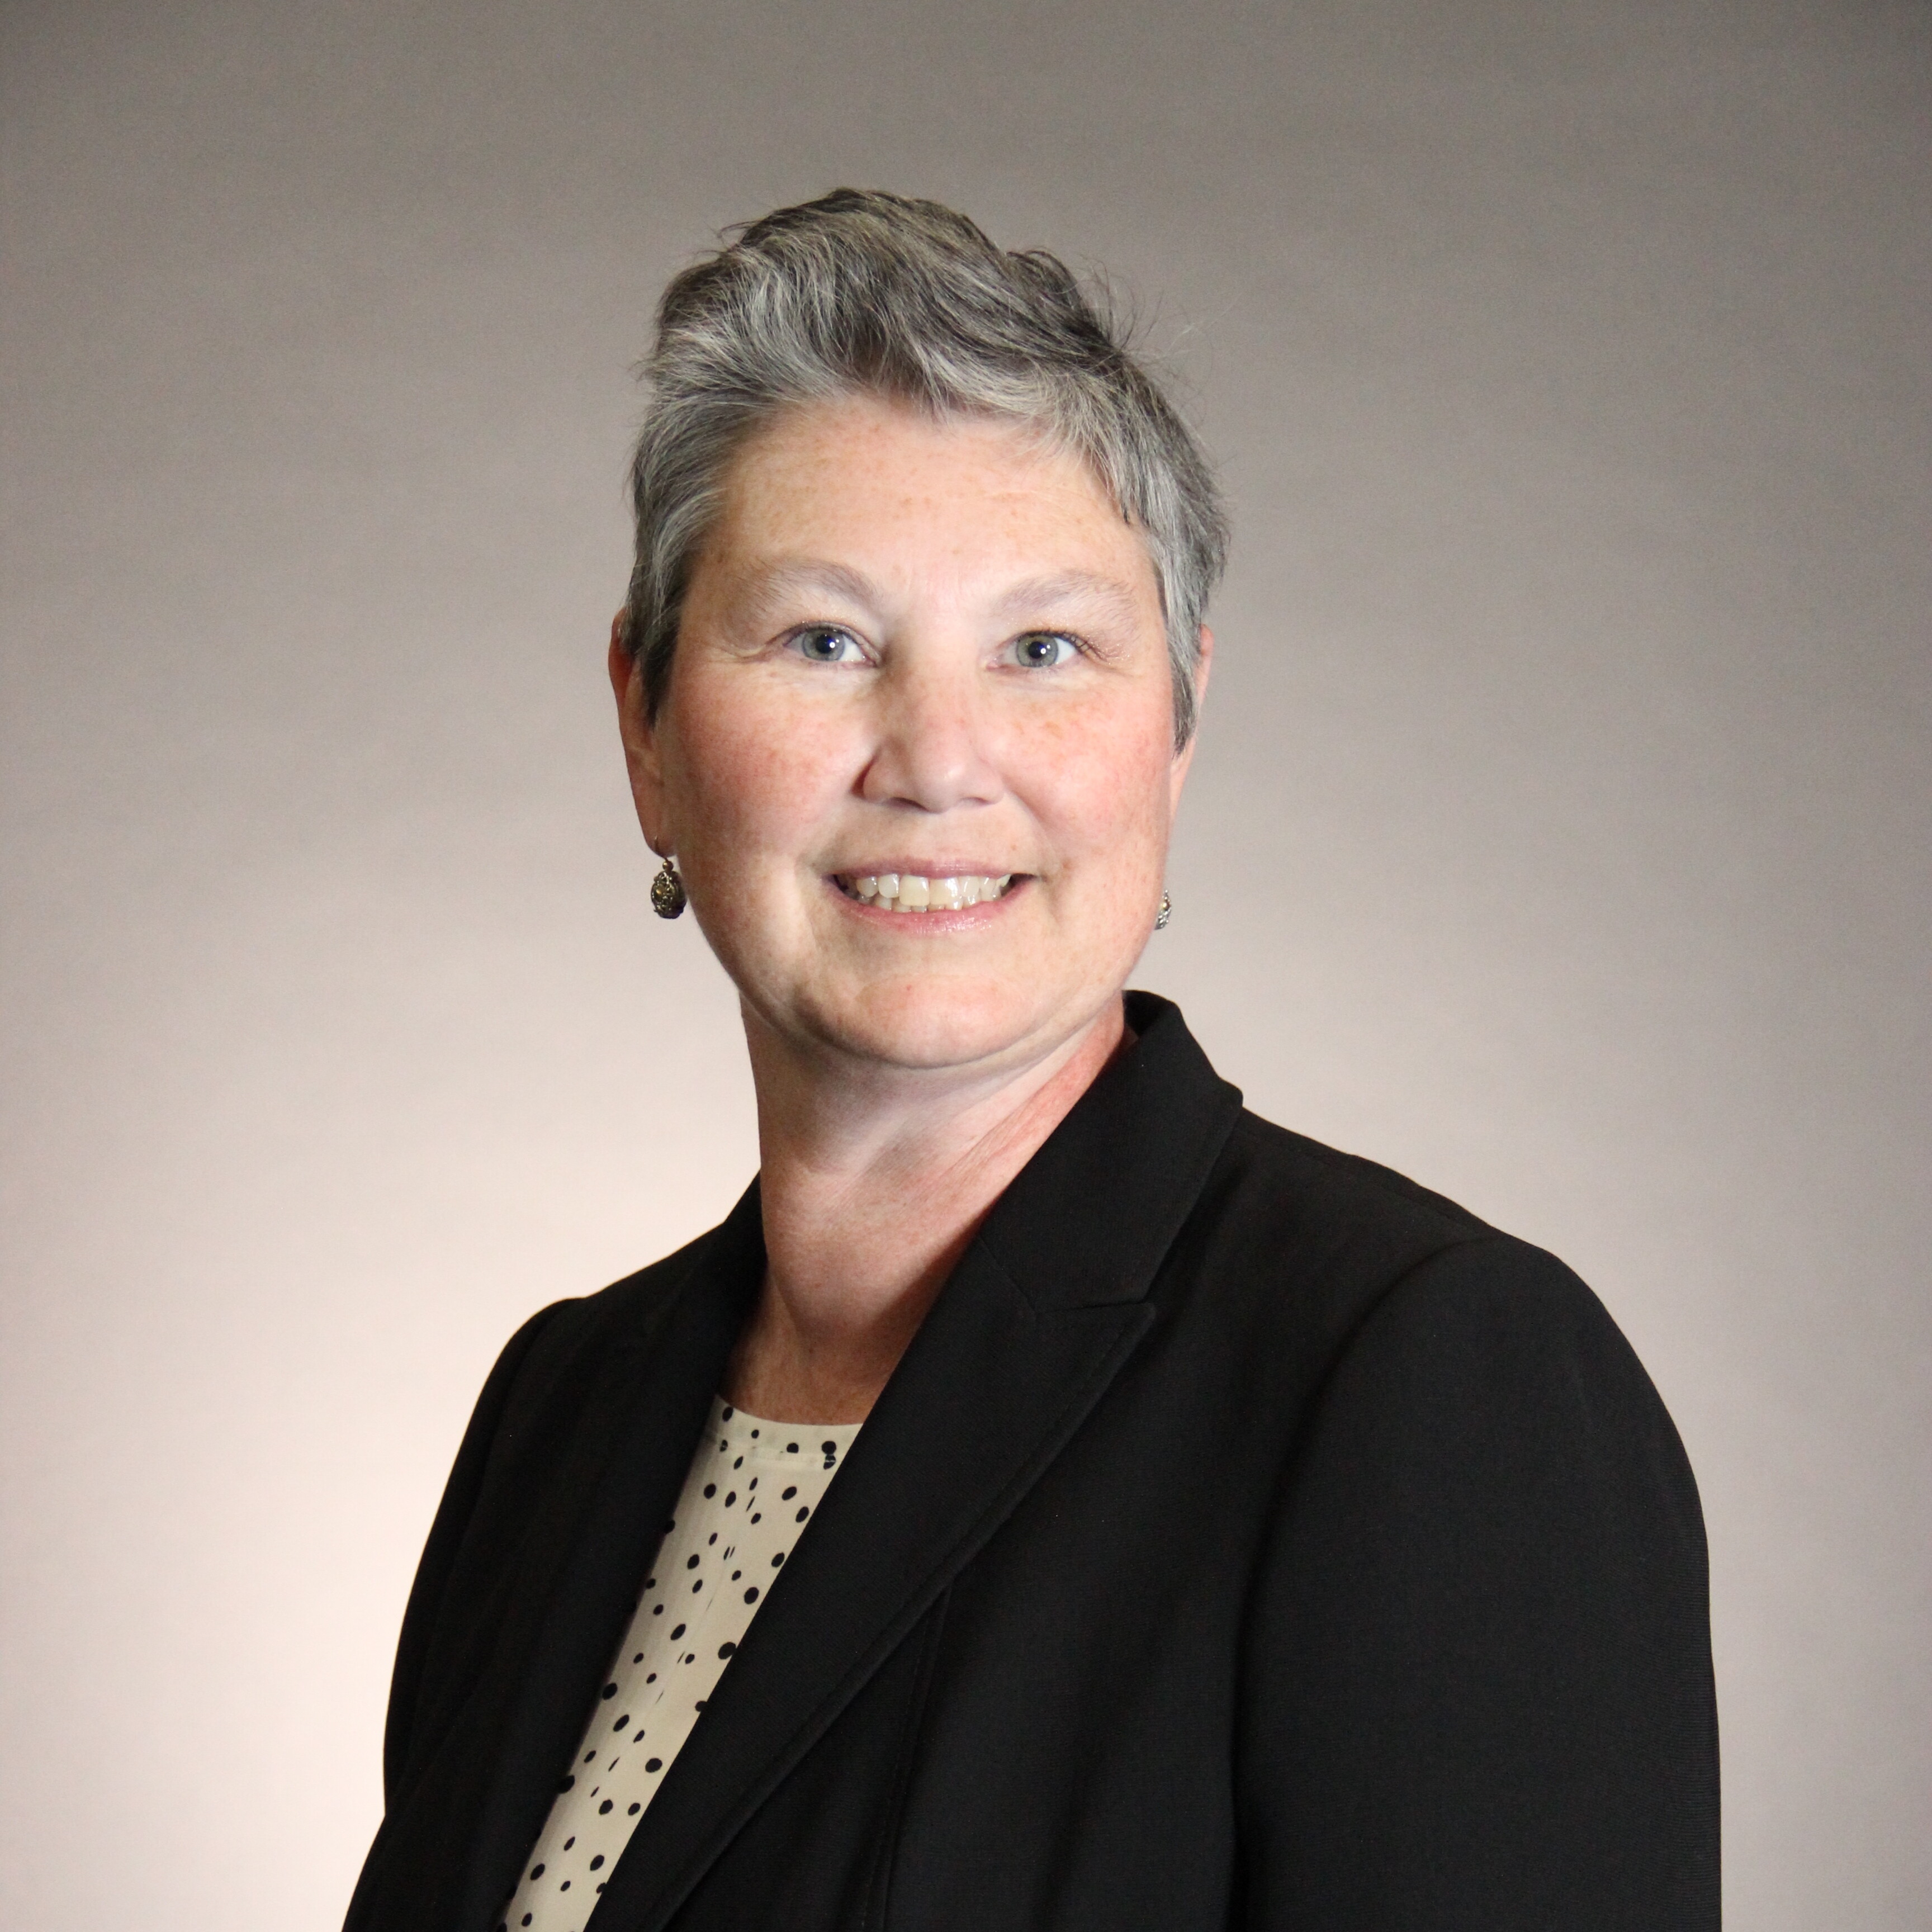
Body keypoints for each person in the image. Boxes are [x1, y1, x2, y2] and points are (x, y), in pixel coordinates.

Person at [343, 190, 1720, 1932]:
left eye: (1045, 649)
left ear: (1178, 730)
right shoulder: (565, 1408)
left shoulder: (1428, 1383)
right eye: (826, 640)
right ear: (646, 726)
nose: (937, 760)